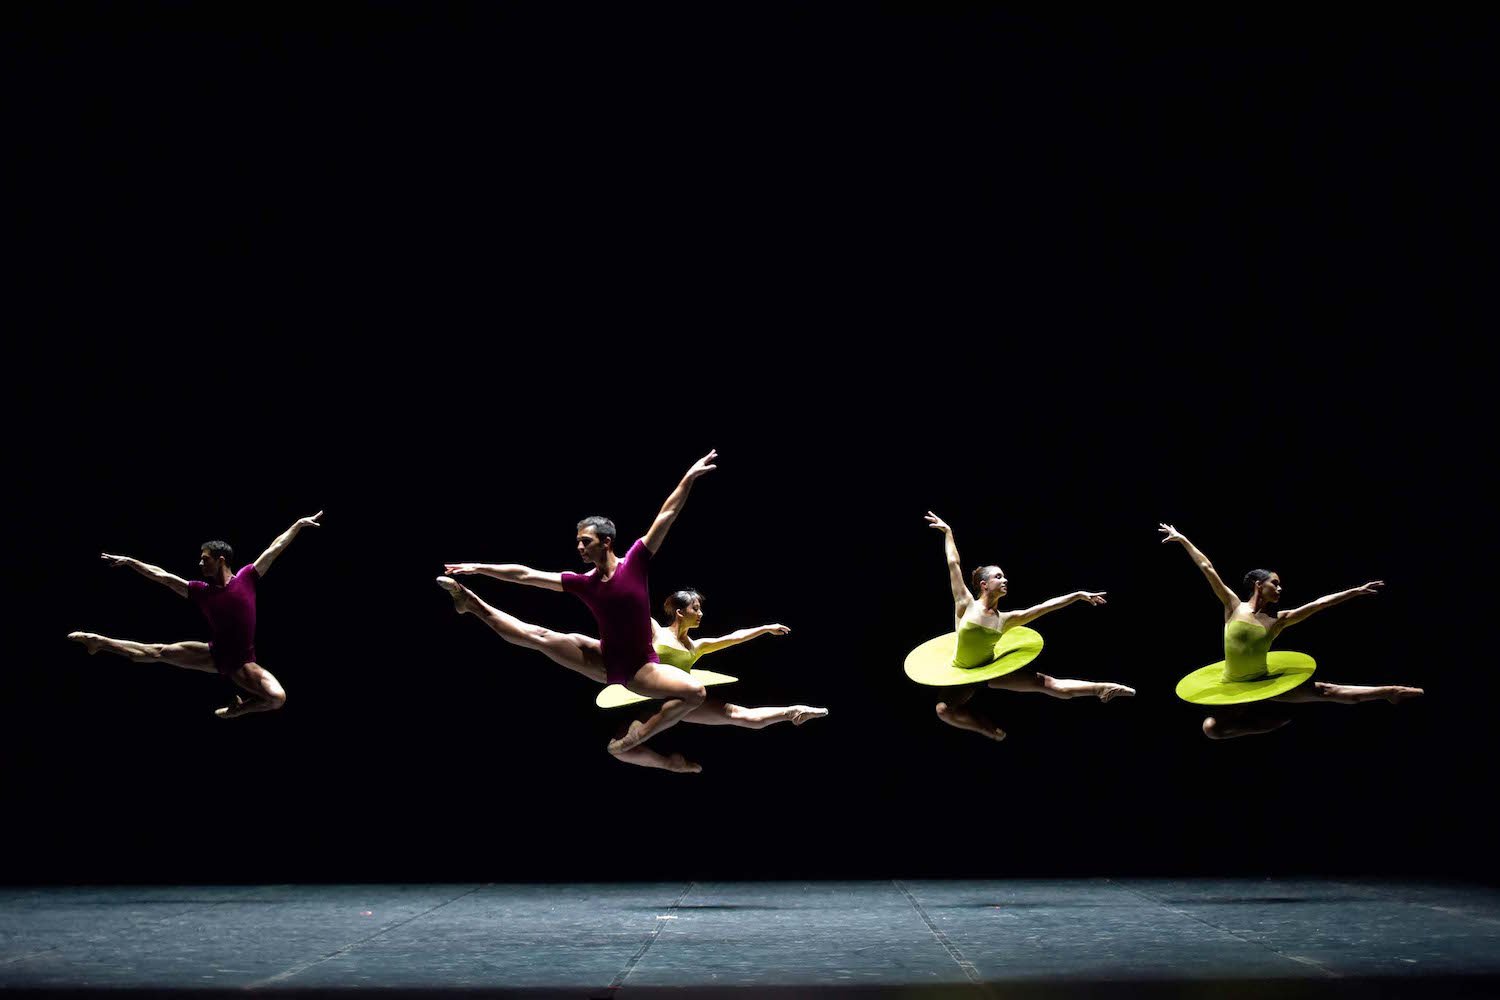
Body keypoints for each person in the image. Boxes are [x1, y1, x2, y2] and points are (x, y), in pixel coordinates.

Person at [438, 451, 718, 757]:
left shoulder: (636, 562)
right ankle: (470, 603)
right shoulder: (583, 582)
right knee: (538, 637)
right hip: (602, 657)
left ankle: (639, 736)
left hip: (641, 668)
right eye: (578, 542)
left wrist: (688, 477)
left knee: (696, 692)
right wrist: (481, 568)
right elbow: (526, 574)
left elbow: (667, 514)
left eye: (586, 541)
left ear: (606, 541)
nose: (580, 547)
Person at [1159, 523, 1422, 739]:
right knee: (1211, 729)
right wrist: (1182, 539)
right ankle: (1264, 723)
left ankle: (1391, 691)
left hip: (1264, 680)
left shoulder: (1280, 619)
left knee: (1328, 692)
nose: (1280, 588)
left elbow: (1320, 604)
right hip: (1233, 686)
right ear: (1259, 585)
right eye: (1276, 583)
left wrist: (1355, 591)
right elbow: (1207, 568)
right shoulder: (1233, 606)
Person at [68, 511, 323, 717]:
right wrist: (130, 562)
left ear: (221, 560)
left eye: (205, 559)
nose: (200, 564)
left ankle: (237, 710)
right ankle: (99, 642)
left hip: (244, 663)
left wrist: (298, 525)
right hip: (213, 655)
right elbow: (163, 577)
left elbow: (274, 547)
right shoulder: (200, 590)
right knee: (156, 652)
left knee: (277, 698)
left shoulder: (247, 577)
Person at [922, 512, 1132, 741]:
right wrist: (948, 532)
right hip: (963, 673)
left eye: (1004, 577)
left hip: (992, 672)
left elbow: (1044, 607)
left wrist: (1077, 595)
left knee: (1049, 684)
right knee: (943, 710)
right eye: (999, 577)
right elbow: (953, 563)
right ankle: (988, 729)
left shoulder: (1006, 619)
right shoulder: (965, 604)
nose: (1005, 580)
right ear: (984, 585)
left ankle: (1102, 688)